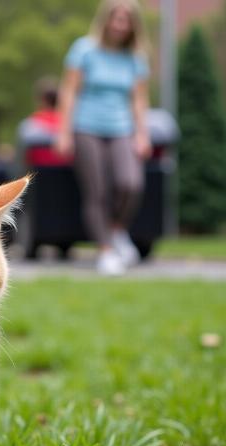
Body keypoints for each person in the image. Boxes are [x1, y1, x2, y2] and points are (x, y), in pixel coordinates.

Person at [56, 0, 151, 275]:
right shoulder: (84, 49)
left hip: (121, 127)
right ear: (106, 20)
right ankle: (106, 252)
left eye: (126, 20)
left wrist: (142, 133)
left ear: (133, 25)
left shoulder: (135, 58)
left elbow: (139, 99)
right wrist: (63, 132)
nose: (120, 25)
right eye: (116, 18)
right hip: (86, 126)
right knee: (96, 190)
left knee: (130, 183)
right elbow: (69, 91)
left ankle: (117, 230)